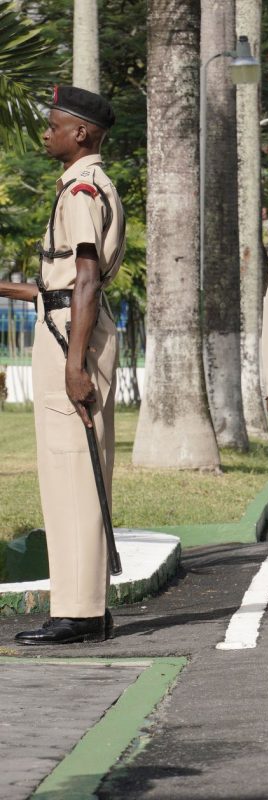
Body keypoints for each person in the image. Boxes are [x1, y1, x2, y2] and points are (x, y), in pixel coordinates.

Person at [5, 86, 125, 645]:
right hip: (67, 325)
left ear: (81, 133)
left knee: (71, 473)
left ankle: (77, 614)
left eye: (54, 125)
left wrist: (75, 364)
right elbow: (59, 285)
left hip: (69, 336)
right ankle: (86, 609)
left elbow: (83, 281)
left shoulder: (81, 189)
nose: (46, 133)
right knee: (75, 472)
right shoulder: (91, 185)